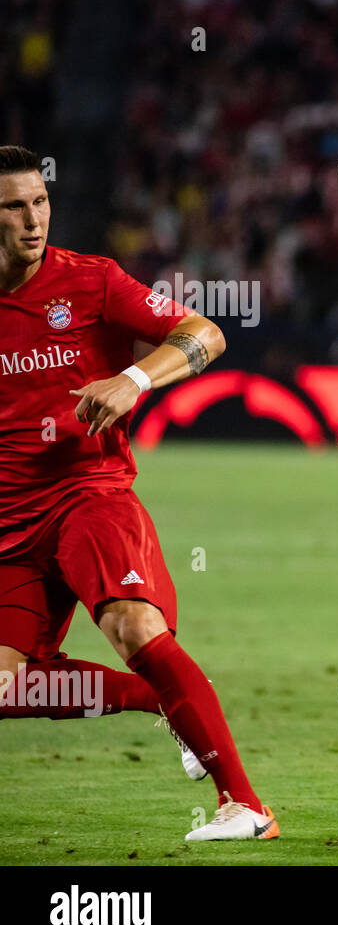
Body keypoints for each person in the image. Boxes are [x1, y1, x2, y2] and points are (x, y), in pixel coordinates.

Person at [0, 145, 277, 840]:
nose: (33, 219)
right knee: (6, 687)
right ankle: (161, 701)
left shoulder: (90, 283)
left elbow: (204, 332)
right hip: (8, 523)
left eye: (40, 201)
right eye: (13, 206)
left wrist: (136, 380)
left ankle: (245, 806)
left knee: (133, 626)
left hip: (86, 494)